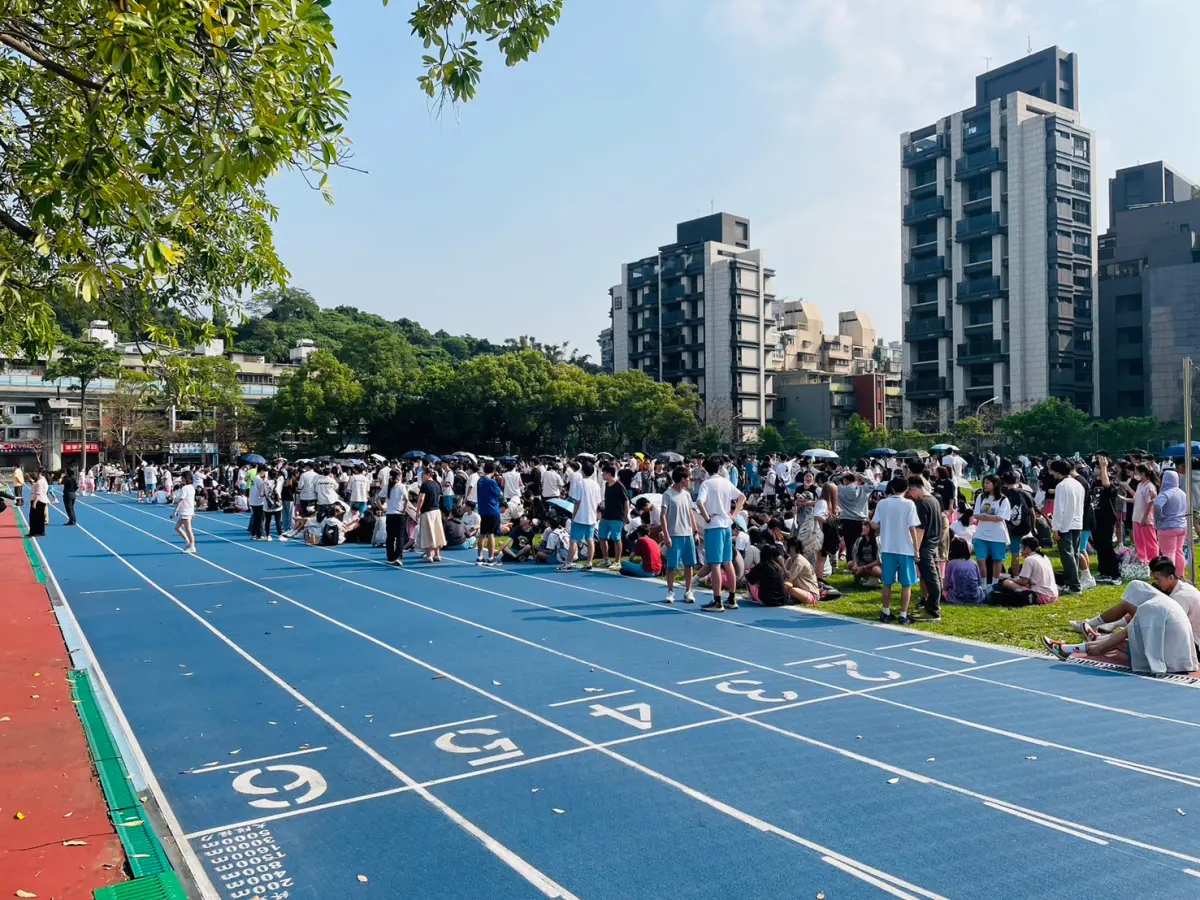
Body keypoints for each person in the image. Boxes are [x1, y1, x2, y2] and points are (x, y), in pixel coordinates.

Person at [1044, 568, 1198, 675]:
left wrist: (1101, 648)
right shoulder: (1163, 602)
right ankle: (1073, 647)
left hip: (1171, 661)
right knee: (1117, 640)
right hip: (1183, 658)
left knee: (1116, 642)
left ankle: (1067, 649)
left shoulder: (1150, 607)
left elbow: (1126, 633)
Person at [696, 456, 746, 612]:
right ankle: (732, 598)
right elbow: (742, 497)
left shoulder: (706, 484)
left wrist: (706, 517)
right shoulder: (725, 482)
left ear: (705, 469)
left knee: (715, 564)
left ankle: (717, 601)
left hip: (714, 525)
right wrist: (734, 515)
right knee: (727, 562)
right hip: (726, 524)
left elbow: (699, 502)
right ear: (719, 468)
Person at [871, 475, 921, 625]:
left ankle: (885, 611)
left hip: (887, 547)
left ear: (892, 488)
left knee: (887, 582)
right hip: (905, 548)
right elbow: (912, 528)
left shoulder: (882, 503)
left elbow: (874, 524)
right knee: (906, 584)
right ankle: (903, 614)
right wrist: (916, 549)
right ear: (906, 489)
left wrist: (885, 525)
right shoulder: (909, 504)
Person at [908, 476, 943, 621]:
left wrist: (916, 549)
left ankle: (933, 610)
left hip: (925, 545)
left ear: (914, 489)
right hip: (934, 543)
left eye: (910, 492)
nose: (910, 496)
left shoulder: (922, 503)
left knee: (930, 578)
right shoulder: (934, 500)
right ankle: (931, 605)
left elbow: (920, 529)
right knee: (934, 577)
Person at [662, 466, 698, 604]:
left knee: (689, 565)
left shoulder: (687, 495)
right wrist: (666, 535)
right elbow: (663, 516)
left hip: (688, 534)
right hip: (674, 534)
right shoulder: (668, 495)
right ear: (682, 479)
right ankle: (670, 591)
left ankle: (688, 591)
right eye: (688, 478)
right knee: (672, 566)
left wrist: (695, 531)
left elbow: (690, 514)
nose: (690, 480)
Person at [1049, 459, 1085, 594]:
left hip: (1065, 524)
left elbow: (1059, 509)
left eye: (1053, 471)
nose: (1052, 474)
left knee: (1067, 555)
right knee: (1074, 553)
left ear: (1058, 471)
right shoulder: (1078, 484)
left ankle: (1074, 585)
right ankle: (1074, 582)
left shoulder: (1061, 486)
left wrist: (1055, 528)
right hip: (1077, 522)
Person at [560, 460, 602, 572]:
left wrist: (573, 515)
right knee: (589, 539)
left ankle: (568, 563)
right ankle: (589, 562)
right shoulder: (596, 485)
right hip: (591, 517)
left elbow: (577, 502)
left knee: (573, 540)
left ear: (583, 471)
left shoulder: (581, 483)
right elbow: (598, 502)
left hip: (580, 516)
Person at [991, 536, 1058, 606]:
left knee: (1007, 583)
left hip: (1041, 596)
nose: (1021, 551)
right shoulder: (1044, 557)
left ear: (1027, 548)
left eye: (1022, 547)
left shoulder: (1029, 559)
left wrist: (1009, 579)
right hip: (1053, 595)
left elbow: (1023, 581)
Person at [972, 474, 1011, 585]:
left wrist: (984, 516)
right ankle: (983, 583)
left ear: (995, 484)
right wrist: (991, 517)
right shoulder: (981, 497)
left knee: (997, 559)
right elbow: (976, 515)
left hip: (997, 534)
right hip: (981, 533)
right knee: (980, 559)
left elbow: (1000, 518)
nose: (985, 485)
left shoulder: (1003, 499)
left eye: (988, 483)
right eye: (984, 483)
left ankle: (994, 583)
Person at [1154, 469, 1189, 578]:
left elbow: (1157, 505)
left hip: (1168, 527)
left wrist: (1160, 517)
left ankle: (1170, 577)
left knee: (1168, 553)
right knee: (1179, 551)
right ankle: (1180, 575)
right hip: (1181, 525)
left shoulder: (1165, 493)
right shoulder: (1182, 493)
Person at [598, 465, 630, 569]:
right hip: (606, 515)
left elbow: (626, 501)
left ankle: (617, 561)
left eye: (604, 473)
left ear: (609, 474)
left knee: (616, 538)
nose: (602, 475)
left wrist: (626, 515)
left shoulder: (619, 485)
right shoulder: (607, 485)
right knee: (602, 537)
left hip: (617, 516)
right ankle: (606, 559)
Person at [475, 462, 503, 567]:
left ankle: (479, 557)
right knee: (491, 534)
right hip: (492, 510)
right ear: (493, 471)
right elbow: (500, 494)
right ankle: (491, 558)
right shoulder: (492, 482)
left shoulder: (480, 480)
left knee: (482, 534)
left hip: (483, 510)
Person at [943, 538, 986, 604]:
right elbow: (979, 582)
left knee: (944, 591)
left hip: (957, 597)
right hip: (975, 597)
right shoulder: (974, 563)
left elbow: (947, 583)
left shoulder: (951, 564)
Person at [1131, 464, 1159, 563]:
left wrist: (1144, 517)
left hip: (1146, 519)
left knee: (1150, 541)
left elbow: (1150, 503)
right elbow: (1136, 499)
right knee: (1139, 541)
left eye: (1137, 472)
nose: (1135, 474)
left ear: (1143, 473)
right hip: (1136, 517)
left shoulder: (1150, 486)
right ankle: (1143, 560)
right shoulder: (1140, 485)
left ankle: (1154, 561)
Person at [416, 468, 446, 562]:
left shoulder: (425, 485)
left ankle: (429, 555)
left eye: (423, 475)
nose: (422, 477)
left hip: (427, 511)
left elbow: (421, 499)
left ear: (428, 474)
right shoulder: (437, 484)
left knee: (427, 534)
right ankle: (437, 554)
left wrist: (417, 510)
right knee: (437, 532)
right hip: (436, 510)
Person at [847, 522, 882, 587]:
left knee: (876, 570)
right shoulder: (859, 540)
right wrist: (855, 563)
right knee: (850, 564)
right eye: (863, 526)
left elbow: (878, 561)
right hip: (864, 563)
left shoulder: (878, 541)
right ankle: (867, 578)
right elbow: (855, 554)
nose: (863, 527)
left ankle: (875, 579)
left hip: (875, 565)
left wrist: (863, 567)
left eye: (867, 527)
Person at [384, 470, 408, 567]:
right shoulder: (401, 486)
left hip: (390, 514)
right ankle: (398, 557)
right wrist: (404, 510)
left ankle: (390, 557)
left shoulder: (387, 486)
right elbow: (406, 499)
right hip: (399, 514)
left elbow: (377, 498)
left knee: (390, 536)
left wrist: (382, 508)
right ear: (398, 476)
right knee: (400, 537)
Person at [170, 473, 197, 554]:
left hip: (186, 511)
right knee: (177, 527)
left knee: (188, 529)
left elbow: (181, 500)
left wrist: (175, 511)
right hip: (188, 510)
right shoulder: (191, 487)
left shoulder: (185, 488)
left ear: (186, 478)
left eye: (182, 478)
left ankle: (192, 546)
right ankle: (188, 542)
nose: (181, 479)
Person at [27, 468, 50, 536]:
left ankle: (39, 532)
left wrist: (34, 503)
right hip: (39, 500)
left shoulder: (40, 482)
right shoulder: (42, 480)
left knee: (38, 517)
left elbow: (38, 494)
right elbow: (34, 484)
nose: (34, 474)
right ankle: (33, 531)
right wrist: (30, 479)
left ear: (39, 473)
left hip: (39, 501)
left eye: (35, 473)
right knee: (34, 517)